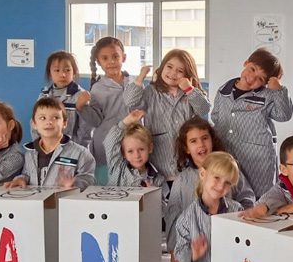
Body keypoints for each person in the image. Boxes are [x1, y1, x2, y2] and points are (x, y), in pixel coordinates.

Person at [165, 117, 255, 258]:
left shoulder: (229, 168)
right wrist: (173, 251)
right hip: (196, 248)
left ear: (212, 141)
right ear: (186, 148)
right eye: (193, 141)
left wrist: (240, 223)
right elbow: (173, 217)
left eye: (205, 138)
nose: (201, 144)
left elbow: (247, 199)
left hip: (228, 241)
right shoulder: (181, 181)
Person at [210, 48, 293, 197]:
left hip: (257, 159)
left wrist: (278, 90)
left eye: (260, 79)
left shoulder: (267, 96)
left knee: (260, 197)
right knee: (231, 194)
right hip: (227, 153)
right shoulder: (223, 90)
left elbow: (284, 115)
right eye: (252, 69)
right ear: (246, 63)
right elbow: (216, 116)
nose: (252, 78)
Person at [123, 49, 209, 180]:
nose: (173, 73)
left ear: (187, 74)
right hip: (158, 163)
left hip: (186, 164)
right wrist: (141, 77)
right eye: (169, 67)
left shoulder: (191, 93)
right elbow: (130, 101)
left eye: (180, 71)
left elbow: (203, 109)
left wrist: (189, 88)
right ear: (162, 67)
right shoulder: (151, 92)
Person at [173, 152, 245, 262]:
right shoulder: (186, 218)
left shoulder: (237, 210)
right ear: (202, 174)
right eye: (216, 178)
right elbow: (180, 253)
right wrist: (193, 254)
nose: (220, 186)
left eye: (227, 183)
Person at [6, 97, 94, 190]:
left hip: (63, 202)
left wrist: (75, 183)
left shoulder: (81, 153)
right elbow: (26, 174)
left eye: (55, 117)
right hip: (37, 202)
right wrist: (21, 179)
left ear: (65, 123)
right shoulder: (30, 153)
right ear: (34, 124)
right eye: (42, 118)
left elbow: (89, 179)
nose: (49, 122)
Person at [79, 36, 136, 177]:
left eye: (115, 56)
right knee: (108, 183)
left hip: (134, 141)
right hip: (106, 143)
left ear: (124, 57)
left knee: (133, 181)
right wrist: (81, 107)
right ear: (98, 62)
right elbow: (95, 120)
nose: (111, 62)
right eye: (105, 58)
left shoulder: (135, 82)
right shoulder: (97, 89)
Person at [103, 109, 169, 211]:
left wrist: (153, 197)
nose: (137, 155)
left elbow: (164, 212)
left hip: (142, 223)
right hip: (115, 219)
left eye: (141, 149)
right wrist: (126, 122)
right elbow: (109, 142)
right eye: (130, 151)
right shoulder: (117, 168)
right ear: (123, 153)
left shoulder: (158, 179)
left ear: (150, 148)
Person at [35, 50, 90, 145]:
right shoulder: (44, 95)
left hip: (72, 148)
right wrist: (40, 144)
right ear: (50, 73)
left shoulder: (80, 95)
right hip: (46, 146)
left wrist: (76, 148)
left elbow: (86, 127)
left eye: (67, 70)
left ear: (74, 72)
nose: (62, 75)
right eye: (57, 70)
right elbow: (35, 121)